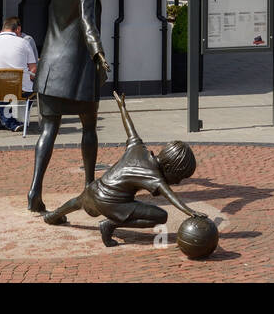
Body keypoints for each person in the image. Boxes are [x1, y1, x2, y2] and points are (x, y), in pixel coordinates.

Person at [28, 0, 118, 214]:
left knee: (48, 130)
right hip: (77, 69)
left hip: (50, 66)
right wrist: (99, 54)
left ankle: (35, 190)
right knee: (89, 127)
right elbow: (88, 23)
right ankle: (90, 187)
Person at [44, 92, 201, 246]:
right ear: (168, 166)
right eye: (179, 176)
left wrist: (122, 107)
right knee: (161, 216)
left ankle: (53, 216)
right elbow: (170, 196)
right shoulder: (153, 175)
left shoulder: (138, 147)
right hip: (111, 203)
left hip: (94, 189)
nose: (178, 182)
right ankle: (110, 225)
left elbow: (130, 129)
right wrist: (190, 211)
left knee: (77, 202)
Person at [0, 16, 37, 132]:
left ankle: (11, 121)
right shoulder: (24, 42)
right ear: (18, 29)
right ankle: (18, 119)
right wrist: (31, 79)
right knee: (33, 88)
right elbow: (33, 68)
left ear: (3, 29)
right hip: (22, 90)